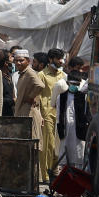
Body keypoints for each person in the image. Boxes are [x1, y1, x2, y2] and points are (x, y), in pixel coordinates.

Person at [13, 48, 44, 180]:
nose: (18, 63)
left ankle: (33, 180)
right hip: (23, 113)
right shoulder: (21, 74)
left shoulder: (30, 73)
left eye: (21, 60)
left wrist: (31, 97)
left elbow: (40, 86)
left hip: (29, 114)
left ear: (28, 61)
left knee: (32, 149)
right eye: (16, 61)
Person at [38, 48, 67, 181]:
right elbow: (37, 97)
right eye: (58, 58)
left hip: (61, 114)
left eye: (62, 58)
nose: (61, 61)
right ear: (50, 59)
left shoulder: (63, 75)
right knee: (48, 144)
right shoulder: (42, 75)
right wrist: (40, 115)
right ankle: (45, 175)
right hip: (47, 113)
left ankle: (55, 171)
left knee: (57, 145)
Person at [54, 69, 88, 168]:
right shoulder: (61, 97)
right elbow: (58, 114)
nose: (74, 86)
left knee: (78, 155)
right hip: (65, 129)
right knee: (65, 155)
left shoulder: (83, 97)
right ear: (68, 83)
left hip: (79, 130)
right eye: (72, 83)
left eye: (76, 84)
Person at [0, 48, 16, 117]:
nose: (14, 59)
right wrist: (13, 101)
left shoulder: (9, 75)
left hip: (10, 113)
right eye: (11, 57)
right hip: (2, 115)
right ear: (6, 63)